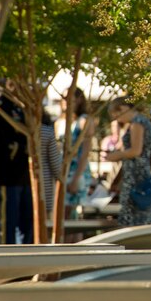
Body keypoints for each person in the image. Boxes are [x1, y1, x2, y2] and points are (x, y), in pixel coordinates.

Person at [0, 83, 32, 243]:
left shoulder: (25, 106)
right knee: (9, 223)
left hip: (25, 174)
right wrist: (17, 147)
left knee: (28, 222)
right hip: (8, 174)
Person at [104, 97, 151, 227]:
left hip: (135, 175)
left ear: (122, 109)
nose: (116, 119)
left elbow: (135, 151)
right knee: (138, 213)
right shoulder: (140, 121)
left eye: (116, 115)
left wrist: (116, 155)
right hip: (139, 173)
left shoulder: (137, 123)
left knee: (133, 215)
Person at [55, 87, 98, 217]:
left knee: (73, 214)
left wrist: (76, 178)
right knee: (61, 213)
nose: (64, 101)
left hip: (77, 171)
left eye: (68, 98)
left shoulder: (84, 121)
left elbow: (85, 152)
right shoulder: (58, 122)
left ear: (78, 100)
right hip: (61, 171)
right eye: (63, 98)